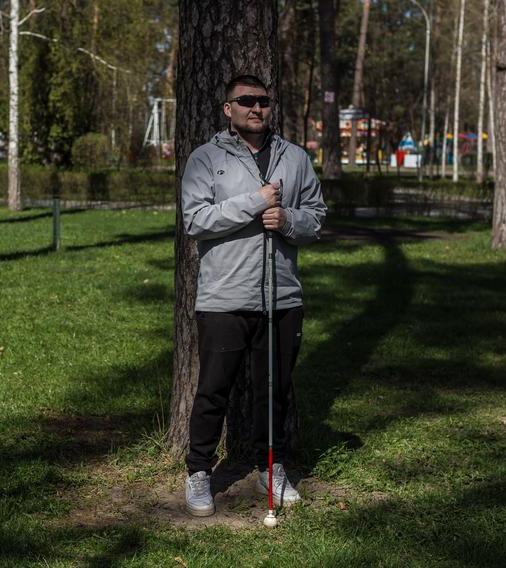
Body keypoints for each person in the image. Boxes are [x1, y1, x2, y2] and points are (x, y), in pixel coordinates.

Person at [181, 74, 326, 517]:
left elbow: (316, 219)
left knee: (275, 390)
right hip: (225, 296)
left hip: (281, 297)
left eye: (263, 101)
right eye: (246, 101)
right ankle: (199, 472)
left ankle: (271, 466)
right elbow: (196, 219)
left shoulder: (296, 158)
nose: (256, 108)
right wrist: (255, 202)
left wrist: (286, 221)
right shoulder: (205, 158)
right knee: (213, 391)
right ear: (228, 109)